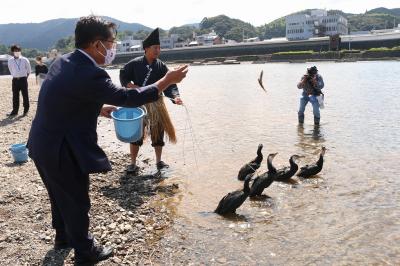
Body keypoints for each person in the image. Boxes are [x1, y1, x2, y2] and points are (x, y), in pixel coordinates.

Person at [27, 16, 188, 265]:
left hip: (41, 143)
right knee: (77, 199)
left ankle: (63, 238)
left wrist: (97, 106)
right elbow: (128, 97)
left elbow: (66, 95)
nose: (112, 48)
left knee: (59, 195)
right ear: (96, 44)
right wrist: (167, 80)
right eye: (111, 43)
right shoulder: (91, 72)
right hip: (61, 147)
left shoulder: (64, 61)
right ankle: (85, 253)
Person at [120, 28, 183, 174]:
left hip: (157, 103)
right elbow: (123, 75)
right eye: (155, 48)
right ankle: (133, 163)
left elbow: (170, 84)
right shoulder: (134, 63)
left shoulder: (160, 66)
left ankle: (159, 161)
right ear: (146, 48)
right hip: (139, 104)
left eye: (159, 48)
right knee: (136, 134)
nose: (158, 50)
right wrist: (130, 86)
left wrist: (175, 97)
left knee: (158, 132)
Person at [7, 44, 31, 116]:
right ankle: (15, 111)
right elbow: (10, 70)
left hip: (23, 79)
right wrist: (15, 76)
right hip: (14, 80)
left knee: (25, 95)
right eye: (15, 50)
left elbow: (29, 70)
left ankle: (26, 110)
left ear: (20, 51)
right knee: (15, 96)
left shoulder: (25, 59)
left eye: (18, 50)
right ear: (12, 52)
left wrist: (24, 77)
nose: (17, 52)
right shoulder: (10, 60)